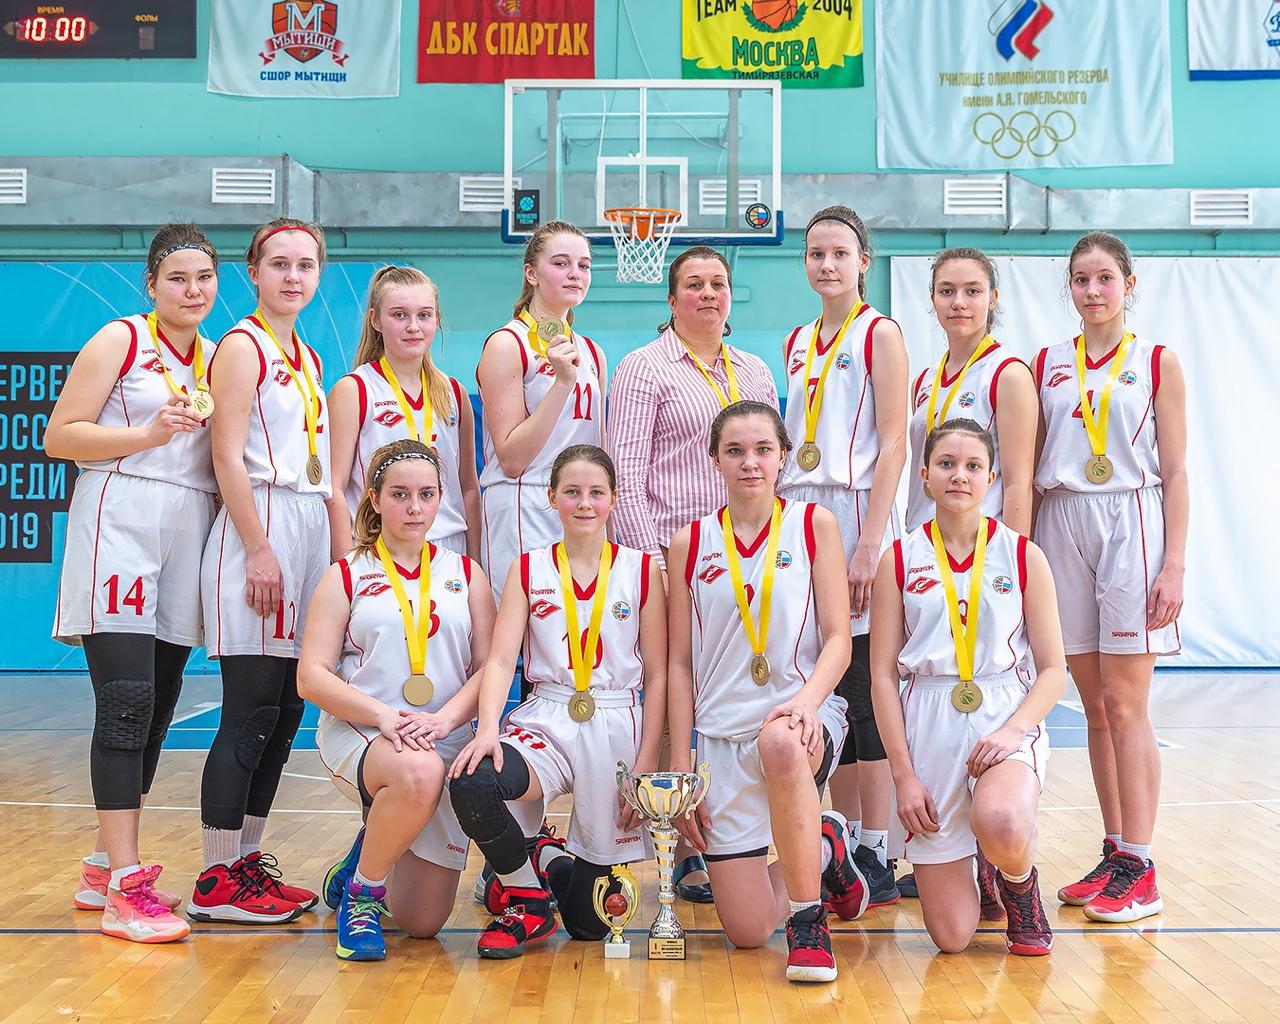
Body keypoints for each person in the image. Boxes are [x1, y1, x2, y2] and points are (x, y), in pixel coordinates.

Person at [47, 223, 220, 943]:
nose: (192, 290)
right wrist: (147, 434)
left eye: (204, 277)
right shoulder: (120, 339)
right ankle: (126, 884)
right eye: (177, 277)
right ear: (152, 283)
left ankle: (100, 867)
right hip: (120, 516)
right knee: (125, 700)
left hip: (188, 523)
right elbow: (60, 436)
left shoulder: (216, 356)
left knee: (158, 704)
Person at [667, 401, 867, 984]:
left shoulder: (813, 525)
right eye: (735, 451)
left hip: (800, 719)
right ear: (715, 460)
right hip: (721, 737)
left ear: (783, 457)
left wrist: (807, 702)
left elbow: (838, 639)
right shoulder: (689, 542)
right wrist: (681, 766)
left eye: (762, 450)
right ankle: (827, 845)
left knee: (780, 742)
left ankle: (809, 923)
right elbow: (679, 663)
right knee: (749, 930)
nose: (749, 463)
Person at [448, 445, 665, 959]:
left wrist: (646, 764)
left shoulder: (641, 570)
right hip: (547, 714)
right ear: (551, 498)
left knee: (590, 925)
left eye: (596, 492)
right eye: (572, 492)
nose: (584, 503)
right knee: (474, 780)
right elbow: (500, 660)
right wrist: (486, 730)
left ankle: (545, 857)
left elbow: (658, 675)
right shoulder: (527, 569)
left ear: (614, 499)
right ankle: (526, 898)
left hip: (615, 720)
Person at [608, 245, 777, 902]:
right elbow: (626, 476)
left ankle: (741, 830)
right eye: (694, 284)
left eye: (718, 283)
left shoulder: (753, 370)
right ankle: (679, 845)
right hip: (673, 561)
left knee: (732, 690)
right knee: (674, 698)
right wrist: (657, 572)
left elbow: (770, 465)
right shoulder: (644, 368)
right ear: (672, 299)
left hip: (748, 564)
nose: (708, 293)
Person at [1033, 232, 1186, 923]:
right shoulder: (1046, 363)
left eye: (1104, 278)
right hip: (1062, 518)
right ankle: (1117, 848)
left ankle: (1143, 866)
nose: (1092, 291)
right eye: (1080, 279)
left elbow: (1176, 470)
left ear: (1129, 283)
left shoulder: (1156, 361)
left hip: (1131, 517)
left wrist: (1174, 561)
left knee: (1126, 704)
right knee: (1092, 705)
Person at [870, 418, 1062, 957]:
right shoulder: (899, 559)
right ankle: (982, 863)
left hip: (1002, 711)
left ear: (991, 478)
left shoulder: (1022, 555)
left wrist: (1014, 732)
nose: (960, 475)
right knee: (952, 938)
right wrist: (904, 777)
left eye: (973, 465)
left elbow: (1053, 669)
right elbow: (882, 674)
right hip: (928, 720)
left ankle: (1019, 885)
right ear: (925, 475)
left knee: (1001, 819)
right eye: (947, 464)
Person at [299, 440, 495, 960]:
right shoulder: (346, 573)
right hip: (366, 733)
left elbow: (489, 670)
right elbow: (311, 677)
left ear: (440, 500)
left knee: (422, 922)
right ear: (375, 498)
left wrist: (445, 720)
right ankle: (362, 896)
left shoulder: (466, 573)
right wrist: (385, 717)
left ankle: (364, 852)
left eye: (426, 495)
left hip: (440, 735)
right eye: (400, 494)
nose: (414, 507)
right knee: (419, 771)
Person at [192, 217, 331, 924]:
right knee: (249, 712)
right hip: (262, 524)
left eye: (305, 265)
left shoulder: (307, 356)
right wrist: (258, 547)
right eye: (280, 263)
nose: (293, 276)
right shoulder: (242, 347)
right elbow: (225, 456)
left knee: (285, 714)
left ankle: (246, 862)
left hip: (305, 524)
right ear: (253, 272)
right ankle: (215, 878)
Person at [778, 206, 908, 908]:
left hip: (858, 514)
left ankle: (877, 848)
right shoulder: (797, 340)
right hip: (803, 512)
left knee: (864, 682)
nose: (826, 264)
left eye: (839, 253)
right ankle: (846, 838)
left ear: (863, 261)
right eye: (815, 253)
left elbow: (894, 443)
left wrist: (869, 543)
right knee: (825, 679)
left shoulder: (880, 332)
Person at [476, 220, 605, 608]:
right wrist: (562, 384)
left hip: (580, 506)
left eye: (584, 265)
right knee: (523, 632)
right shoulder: (507, 343)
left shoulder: (592, 351)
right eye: (561, 263)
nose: (575, 274)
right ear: (531, 273)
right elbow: (512, 458)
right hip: (525, 502)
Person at [327, 265, 480, 561]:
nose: (413, 326)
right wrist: (346, 566)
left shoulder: (454, 393)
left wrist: (474, 562)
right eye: (399, 315)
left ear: (437, 319)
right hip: (376, 547)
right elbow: (335, 488)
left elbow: (468, 488)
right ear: (376, 320)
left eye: (424, 315)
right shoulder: (355, 390)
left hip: (448, 548)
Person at [906, 248, 1037, 534]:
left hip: (981, 544)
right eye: (947, 291)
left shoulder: (1008, 375)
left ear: (993, 298)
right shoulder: (923, 381)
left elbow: (1018, 483)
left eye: (972, 291)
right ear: (933, 298)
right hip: (923, 540)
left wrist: (1012, 554)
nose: (958, 302)